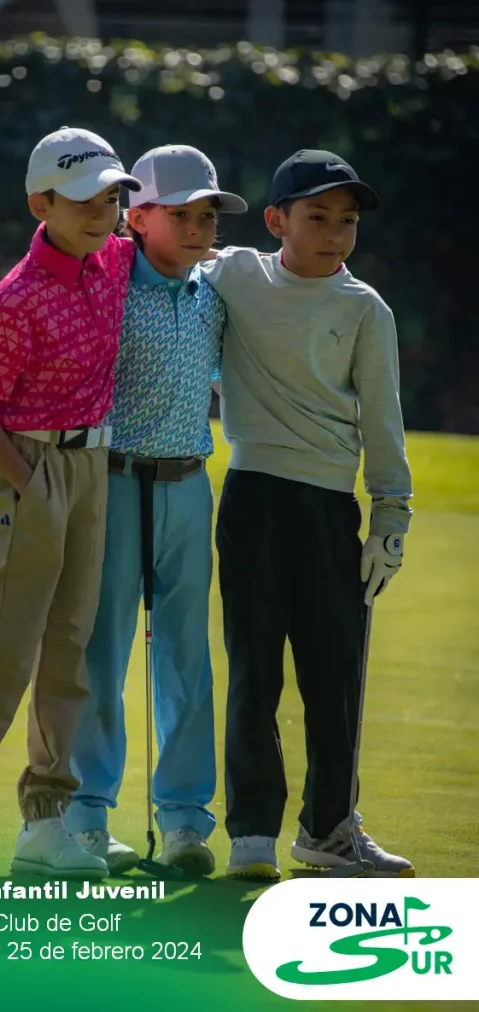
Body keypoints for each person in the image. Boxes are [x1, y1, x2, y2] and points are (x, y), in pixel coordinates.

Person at [0, 145, 246, 877]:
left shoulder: (218, 284)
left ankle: (185, 823)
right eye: (180, 215)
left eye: (207, 217)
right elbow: (30, 300)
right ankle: (84, 818)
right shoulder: (109, 274)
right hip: (108, 481)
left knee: (186, 660)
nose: (197, 229)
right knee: (96, 653)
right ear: (138, 219)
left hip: (189, 482)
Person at [0, 126, 142, 880]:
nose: (101, 213)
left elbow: (178, 244)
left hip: (91, 468)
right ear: (40, 204)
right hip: (30, 467)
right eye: (83, 201)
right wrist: (29, 483)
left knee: (68, 648)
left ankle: (44, 821)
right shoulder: (13, 298)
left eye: (110, 199)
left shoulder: (115, 260)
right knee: (4, 648)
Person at [201, 149, 415, 879]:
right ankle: (251, 834)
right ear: (275, 221)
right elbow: (148, 258)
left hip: (328, 510)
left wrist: (390, 518)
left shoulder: (365, 308)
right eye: (317, 217)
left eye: (346, 221)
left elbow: (382, 420)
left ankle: (328, 830)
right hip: (252, 499)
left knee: (333, 679)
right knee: (252, 672)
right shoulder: (235, 273)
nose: (334, 233)